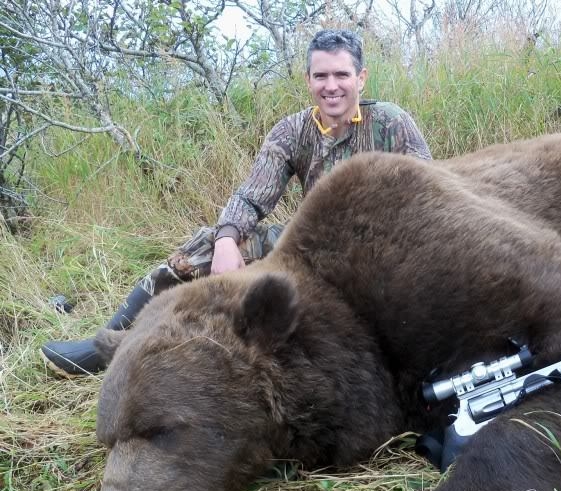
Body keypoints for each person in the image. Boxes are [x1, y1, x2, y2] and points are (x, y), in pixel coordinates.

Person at [42, 29, 432, 377]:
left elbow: (430, 195)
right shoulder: (293, 130)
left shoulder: (392, 124)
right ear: (308, 80)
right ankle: (111, 342)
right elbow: (251, 195)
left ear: (360, 78)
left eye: (342, 75)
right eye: (321, 76)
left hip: (379, 252)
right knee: (205, 246)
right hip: (314, 245)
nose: (332, 86)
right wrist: (228, 239)